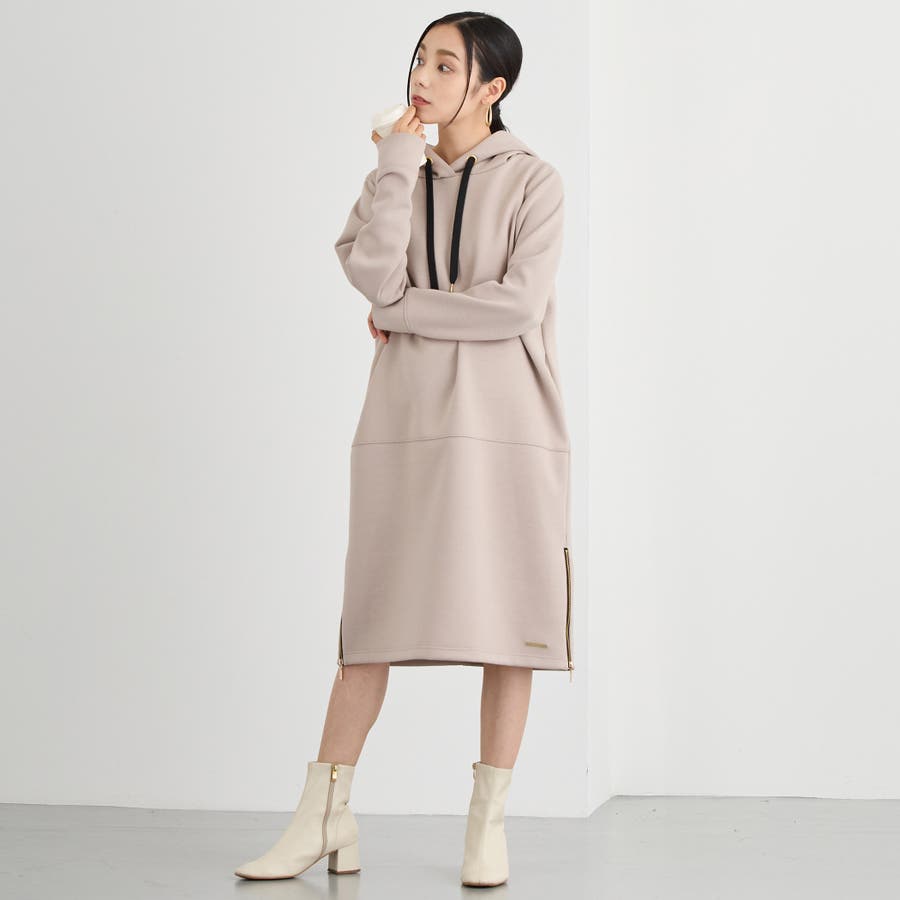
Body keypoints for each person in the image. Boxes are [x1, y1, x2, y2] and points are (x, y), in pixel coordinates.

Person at [234, 11, 573, 888]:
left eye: (446, 65)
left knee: (510, 626)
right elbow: (371, 273)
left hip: (508, 427)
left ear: (492, 88)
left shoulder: (535, 181)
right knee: (370, 624)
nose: (422, 76)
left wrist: (404, 312)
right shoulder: (394, 172)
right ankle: (324, 816)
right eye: (420, 58)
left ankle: (487, 826)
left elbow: (515, 305)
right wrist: (395, 164)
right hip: (403, 421)